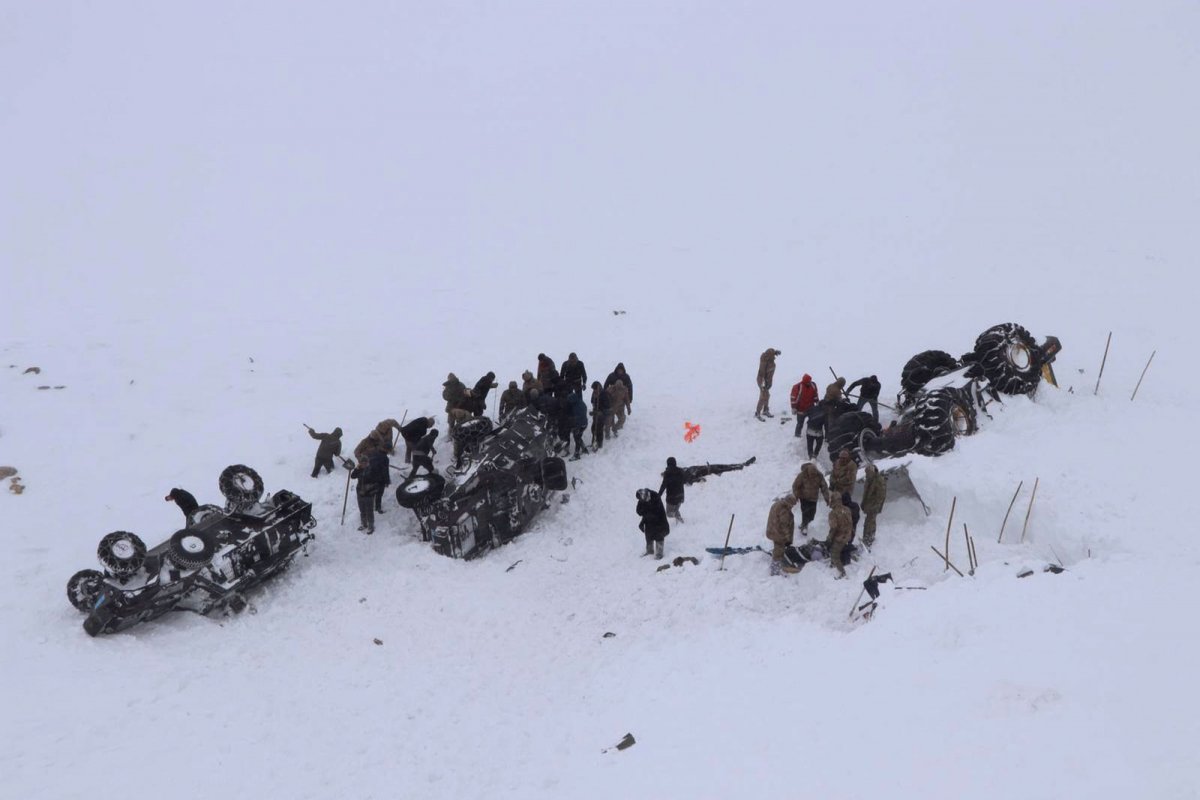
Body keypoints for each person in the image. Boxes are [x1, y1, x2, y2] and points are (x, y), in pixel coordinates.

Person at [791, 461, 831, 535]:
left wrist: (827, 498)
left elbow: (824, 487)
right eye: (811, 474)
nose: (812, 476)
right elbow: (795, 486)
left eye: (814, 475)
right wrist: (796, 496)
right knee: (805, 512)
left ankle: (804, 523)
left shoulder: (819, 475)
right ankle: (805, 527)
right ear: (808, 472)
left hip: (813, 498)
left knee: (812, 515)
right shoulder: (802, 475)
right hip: (803, 497)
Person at [765, 493, 799, 575]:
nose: (792, 507)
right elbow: (784, 525)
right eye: (792, 505)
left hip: (772, 529)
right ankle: (775, 569)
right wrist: (787, 537)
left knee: (778, 547)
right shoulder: (784, 510)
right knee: (779, 549)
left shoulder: (778, 504)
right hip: (778, 533)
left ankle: (776, 564)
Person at [635, 488, 670, 559]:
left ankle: (659, 554)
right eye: (640, 500)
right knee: (648, 534)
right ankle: (649, 551)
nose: (641, 501)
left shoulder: (655, 497)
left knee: (659, 535)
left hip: (660, 521)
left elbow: (655, 512)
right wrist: (642, 522)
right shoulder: (642, 500)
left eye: (642, 499)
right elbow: (639, 511)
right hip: (649, 521)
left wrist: (645, 514)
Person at [347, 456, 378, 534]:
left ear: (368, 463)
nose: (363, 464)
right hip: (360, 492)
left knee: (369, 510)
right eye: (361, 463)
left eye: (365, 463)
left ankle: (371, 525)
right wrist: (357, 469)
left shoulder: (372, 470)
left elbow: (375, 481)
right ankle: (364, 524)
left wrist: (370, 489)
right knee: (362, 510)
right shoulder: (359, 470)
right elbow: (352, 476)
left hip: (369, 493)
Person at [826, 493, 854, 578]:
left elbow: (833, 528)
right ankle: (833, 564)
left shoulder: (833, 513)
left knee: (834, 554)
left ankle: (842, 572)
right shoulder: (847, 509)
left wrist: (829, 538)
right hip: (848, 535)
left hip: (839, 537)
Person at [861, 464, 887, 547]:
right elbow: (866, 493)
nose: (866, 474)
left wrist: (876, 506)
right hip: (869, 505)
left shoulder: (879, 480)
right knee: (867, 522)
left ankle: (869, 539)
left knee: (871, 522)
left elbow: (881, 495)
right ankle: (866, 538)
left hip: (874, 506)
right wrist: (863, 504)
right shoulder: (869, 480)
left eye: (868, 472)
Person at [755, 348, 781, 419]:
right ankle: (757, 412)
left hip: (767, 381)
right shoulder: (764, 362)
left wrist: (775, 352)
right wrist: (763, 384)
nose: (774, 357)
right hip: (762, 381)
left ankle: (765, 410)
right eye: (773, 355)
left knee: (767, 395)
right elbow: (761, 374)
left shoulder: (770, 360)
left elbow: (769, 352)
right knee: (763, 396)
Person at [659, 457, 686, 523]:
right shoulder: (681, 471)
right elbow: (684, 481)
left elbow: (663, 485)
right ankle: (680, 523)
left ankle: (678, 517)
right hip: (681, 496)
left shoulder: (667, 473)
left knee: (669, 514)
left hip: (672, 498)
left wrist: (659, 495)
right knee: (676, 509)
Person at [367, 448, 391, 514]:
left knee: (371, 493)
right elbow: (385, 471)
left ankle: (369, 507)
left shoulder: (373, 453)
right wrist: (387, 481)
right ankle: (378, 508)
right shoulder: (385, 459)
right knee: (379, 494)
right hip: (380, 479)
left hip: (371, 477)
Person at [589, 381, 611, 449]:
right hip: (596, 413)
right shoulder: (594, 393)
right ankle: (594, 441)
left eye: (595, 389)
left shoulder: (604, 394)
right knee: (593, 428)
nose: (594, 390)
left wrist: (601, 412)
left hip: (602, 415)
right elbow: (592, 401)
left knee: (599, 429)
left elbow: (607, 406)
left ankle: (599, 442)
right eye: (593, 389)